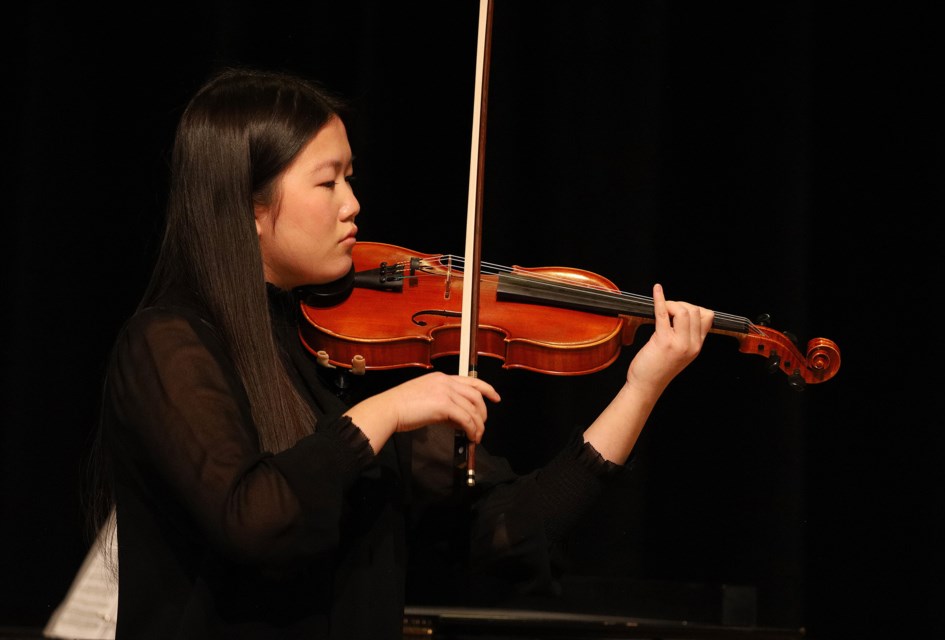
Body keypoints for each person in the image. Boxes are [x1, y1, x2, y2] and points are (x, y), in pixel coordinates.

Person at [86, 66, 714, 639]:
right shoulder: (170, 344)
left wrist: (642, 387)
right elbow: (253, 519)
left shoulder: (339, 358)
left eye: (350, 178)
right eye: (328, 182)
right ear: (249, 209)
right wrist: (382, 414)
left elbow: (509, 529)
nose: (352, 205)